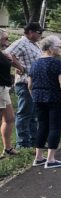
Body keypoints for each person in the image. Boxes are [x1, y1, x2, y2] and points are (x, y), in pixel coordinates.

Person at [27, 35, 61, 168]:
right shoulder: (58, 63)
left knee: (43, 126)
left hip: (38, 99)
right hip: (55, 99)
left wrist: (35, 96)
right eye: (59, 46)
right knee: (55, 127)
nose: (60, 49)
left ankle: (38, 157)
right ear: (51, 48)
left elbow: (29, 85)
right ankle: (51, 160)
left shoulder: (35, 63)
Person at [4, 22, 43, 149]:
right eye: (39, 32)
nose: (40, 35)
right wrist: (20, 67)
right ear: (31, 32)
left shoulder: (34, 44)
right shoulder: (22, 42)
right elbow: (7, 54)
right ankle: (22, 143)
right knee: (24, 113)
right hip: (25, 83)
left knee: (33, 114)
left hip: (35, 84)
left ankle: (33, 141)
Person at [0, 30, 22, 158]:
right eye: (5, 38)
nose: (7, 41)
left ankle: (7, 148)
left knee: (9, 119)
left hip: (4, 88)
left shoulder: (3, 53)